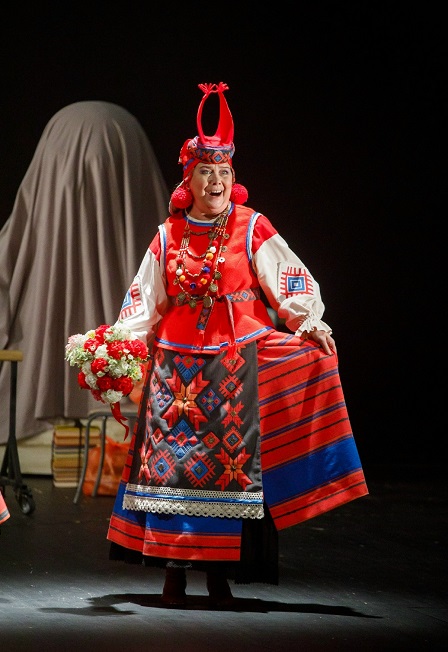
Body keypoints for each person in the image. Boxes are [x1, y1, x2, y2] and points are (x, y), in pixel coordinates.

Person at [106, 82, 369, 607]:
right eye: (207, 171)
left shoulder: (251, 227)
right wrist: (116, 353)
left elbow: (289, 278)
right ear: (189, 179)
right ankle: (173, 572)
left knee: (229, 474)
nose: (217, 181)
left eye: (225, 172)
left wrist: (308, 321)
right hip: (176, 370)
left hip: (235, 365)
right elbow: (142, 301)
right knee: (176, 470)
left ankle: (219, 576)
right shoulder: (167, 235)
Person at [0, 101, 169, 445]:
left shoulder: (21, 240)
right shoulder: (171, 247)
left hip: (30, 424)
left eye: (100, 169)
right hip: (134, 427)